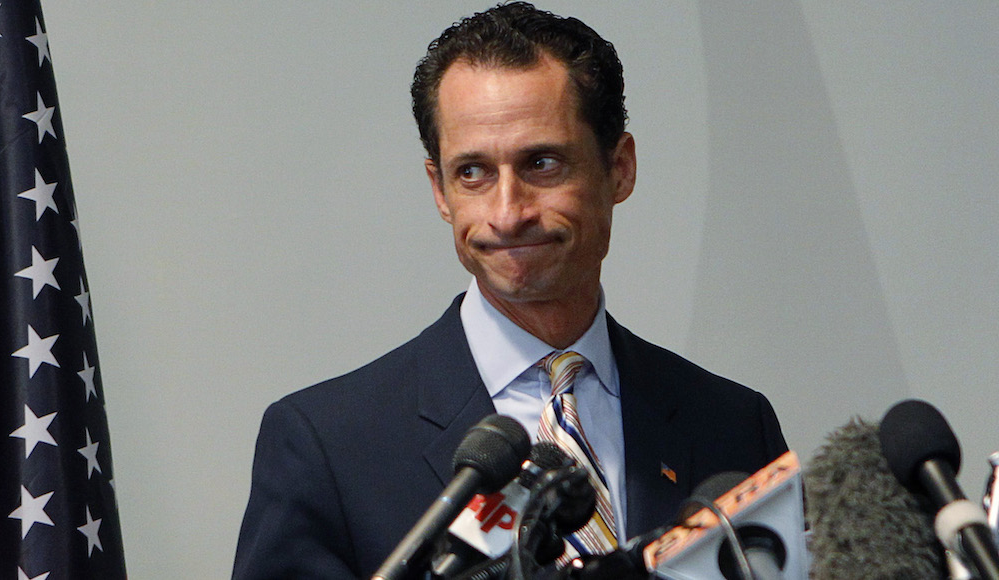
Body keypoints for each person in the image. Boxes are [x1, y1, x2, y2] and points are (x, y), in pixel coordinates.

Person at [232, 3, 787, 578]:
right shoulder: (330, 446)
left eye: (541, 163)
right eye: (472, 172)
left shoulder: (731, 424)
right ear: (440, 189)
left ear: (619, 168)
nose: (507, 213)